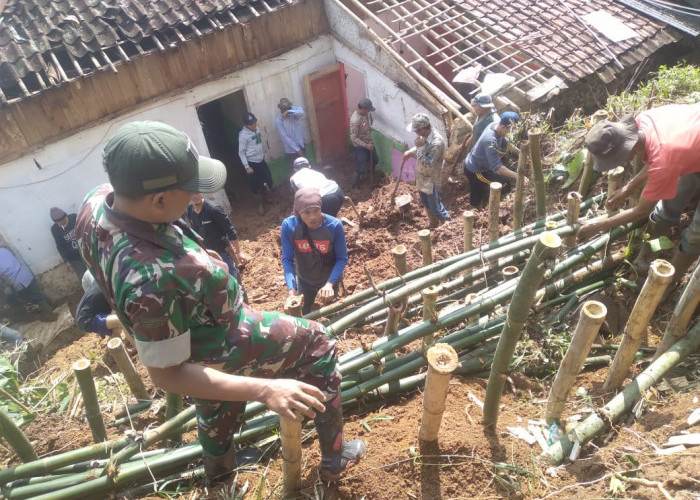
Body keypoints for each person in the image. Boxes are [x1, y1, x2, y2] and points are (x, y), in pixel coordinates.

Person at [75, 121, 364, 484]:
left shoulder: (96, 202)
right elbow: (167, 373)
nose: (197, 198)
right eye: (190, 191)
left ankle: (220, 480)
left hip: (189, 329)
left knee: (214, 401)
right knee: (320, 342)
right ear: (159, 200)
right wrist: (264, 388)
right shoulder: (151, 280)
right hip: (222, 335)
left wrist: (194, 256)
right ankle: (334, 458)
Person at [578, 104, 700, 286]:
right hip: (689, 145)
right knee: (667, 205)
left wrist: (597, 225)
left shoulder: (665, 159)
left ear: (629, 150)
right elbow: (658, 157)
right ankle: (644, 261)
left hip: (685, 147)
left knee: (695, 234)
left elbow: (640, 211)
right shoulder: (645, 120)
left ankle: (668, 283)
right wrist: (628, 188)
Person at [281, 188, 348, 315]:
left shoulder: (334, 226)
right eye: (306, 212)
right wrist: (292, 291)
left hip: (329, 278)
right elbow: (287, 260)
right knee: (303, 312)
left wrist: (329, 284)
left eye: (316, 210)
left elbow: (342, 258)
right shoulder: (289, 226)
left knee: (333, 311)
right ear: (298, 211)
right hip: (305, 280)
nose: (312, 217)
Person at [186, 193, 248, 290]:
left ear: (202, 193)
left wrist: (239, 252)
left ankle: (242, 300)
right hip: (207, 254)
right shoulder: (190, 210)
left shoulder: (214, 210)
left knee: (232, 282)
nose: (194, 196)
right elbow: (195, 231)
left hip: (223, 252)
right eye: (191, 193)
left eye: (197, 192)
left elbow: (230, 230)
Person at [463, 111, 521, 209]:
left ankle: (478, 204)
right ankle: (483, 208)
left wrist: (520, 152)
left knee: (477, 189)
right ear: (503, 127)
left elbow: (505, 142)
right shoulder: (490, 141)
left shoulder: (494, 125)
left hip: (475, 162)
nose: (510, 132)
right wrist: (518, 176)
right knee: (503, 184)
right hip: (476, 170)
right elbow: (497, 167)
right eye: (509, 129)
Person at [403, 113, 450, 228]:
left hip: (432, 180)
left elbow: (428, 162)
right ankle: (434, 225)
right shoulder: (425, 136)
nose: (416, 133)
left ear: (423, 129)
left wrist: (419, 148)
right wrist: (411, 151)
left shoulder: (437, 142)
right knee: (426, 203)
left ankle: (448, 225)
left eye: (417, 131)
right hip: (421, 177)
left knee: (436, 207)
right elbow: (422, 147)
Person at [0, 247, 56, 322]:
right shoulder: (4, 250)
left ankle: (35, 316)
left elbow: (5, 279)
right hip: (26, 275)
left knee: (11, 300)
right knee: (38, 296)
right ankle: (50, 312)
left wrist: (13, 289)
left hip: (15, 282)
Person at [238, 112, 273, 215]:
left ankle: (266, 198)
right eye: (251, 124)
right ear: (246, 125)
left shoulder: (257, 130)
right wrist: (247, 166)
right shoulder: (243, 136)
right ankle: (260, 205)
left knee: (268, 180)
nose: (253, 125)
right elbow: (241, 152)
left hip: (261, 160)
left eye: (254, 123)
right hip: (251, 163)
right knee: (255, 185)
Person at [50, 207, 87, 279]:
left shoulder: (74, 217)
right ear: (55, 222)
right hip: (74, 258)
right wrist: (66, 260)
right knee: (83, 277)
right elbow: (60, 246)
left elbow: (86, 230)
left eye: (64, 222)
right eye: (60, 224)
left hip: (86, 251)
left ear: (66, 216)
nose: (63, 226)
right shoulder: (54, 229)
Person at [349, 98, 379, 189]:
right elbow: (353, 138)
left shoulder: (364, 114)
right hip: (360, 146)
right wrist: (366, 146)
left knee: (375, 159)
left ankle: (368, 174)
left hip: (368, 142)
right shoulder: (355, 120)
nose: (369, 111)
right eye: (368, 110)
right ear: (363, 109)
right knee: (360, 167)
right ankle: (354, 186)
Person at [274, 97, 306, 169]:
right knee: (295, 171)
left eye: (288, 108)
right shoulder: (278, 121)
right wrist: (298, 150)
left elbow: (301, 112)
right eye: (285, 109)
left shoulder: (293, 113)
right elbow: (285, 138)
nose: (287, 109)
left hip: (301, 144)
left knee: (305, 168)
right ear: (281, 109)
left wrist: (290, 111)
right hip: (291, 151)